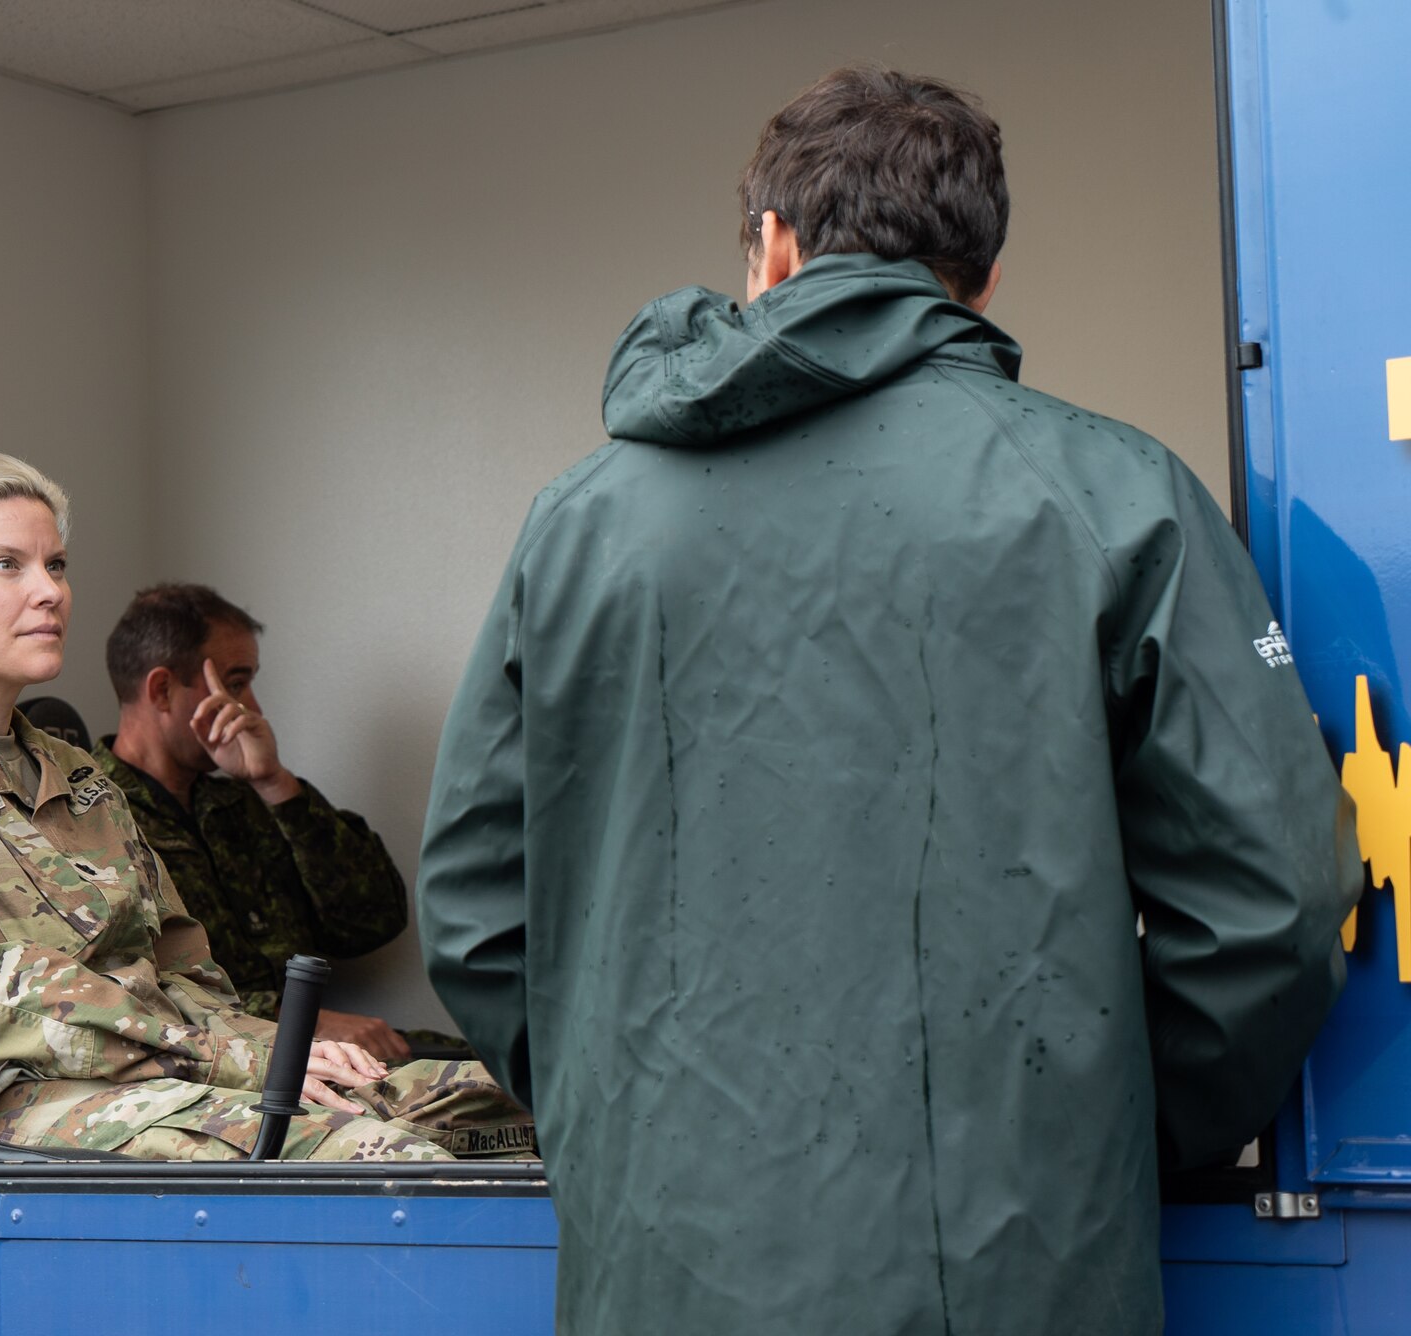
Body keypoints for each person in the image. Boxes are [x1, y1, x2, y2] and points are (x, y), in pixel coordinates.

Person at [417, 67, 1361, 1335]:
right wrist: (1100, 1129)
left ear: (771, 246)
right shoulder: (1113, 495)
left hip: (660, 1268)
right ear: (978, 276)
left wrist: (622, 1115)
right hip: (1014, 1271)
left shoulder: (576, 525)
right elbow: (1275, 895)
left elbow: (476, 915)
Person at [0, 454, 532, 1161]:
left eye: (56, 565)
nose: (49, 591)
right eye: (7, 565)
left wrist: (268, 1052)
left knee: (525, 1103)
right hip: (8, 1097)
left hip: (169, 1072)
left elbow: (184, 970)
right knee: (379, 1152)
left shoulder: (77, 773)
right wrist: (237, 1057)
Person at [98, 584, 444, 1062]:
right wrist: (301, 1020)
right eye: (236, 683)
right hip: (220, 1069)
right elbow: (126, 991)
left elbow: (372, 922)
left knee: (514, 1079)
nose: (253, 708)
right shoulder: (90, 816)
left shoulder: (242, 804)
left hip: (319, 1054)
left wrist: (275, 784)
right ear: (162, 689)